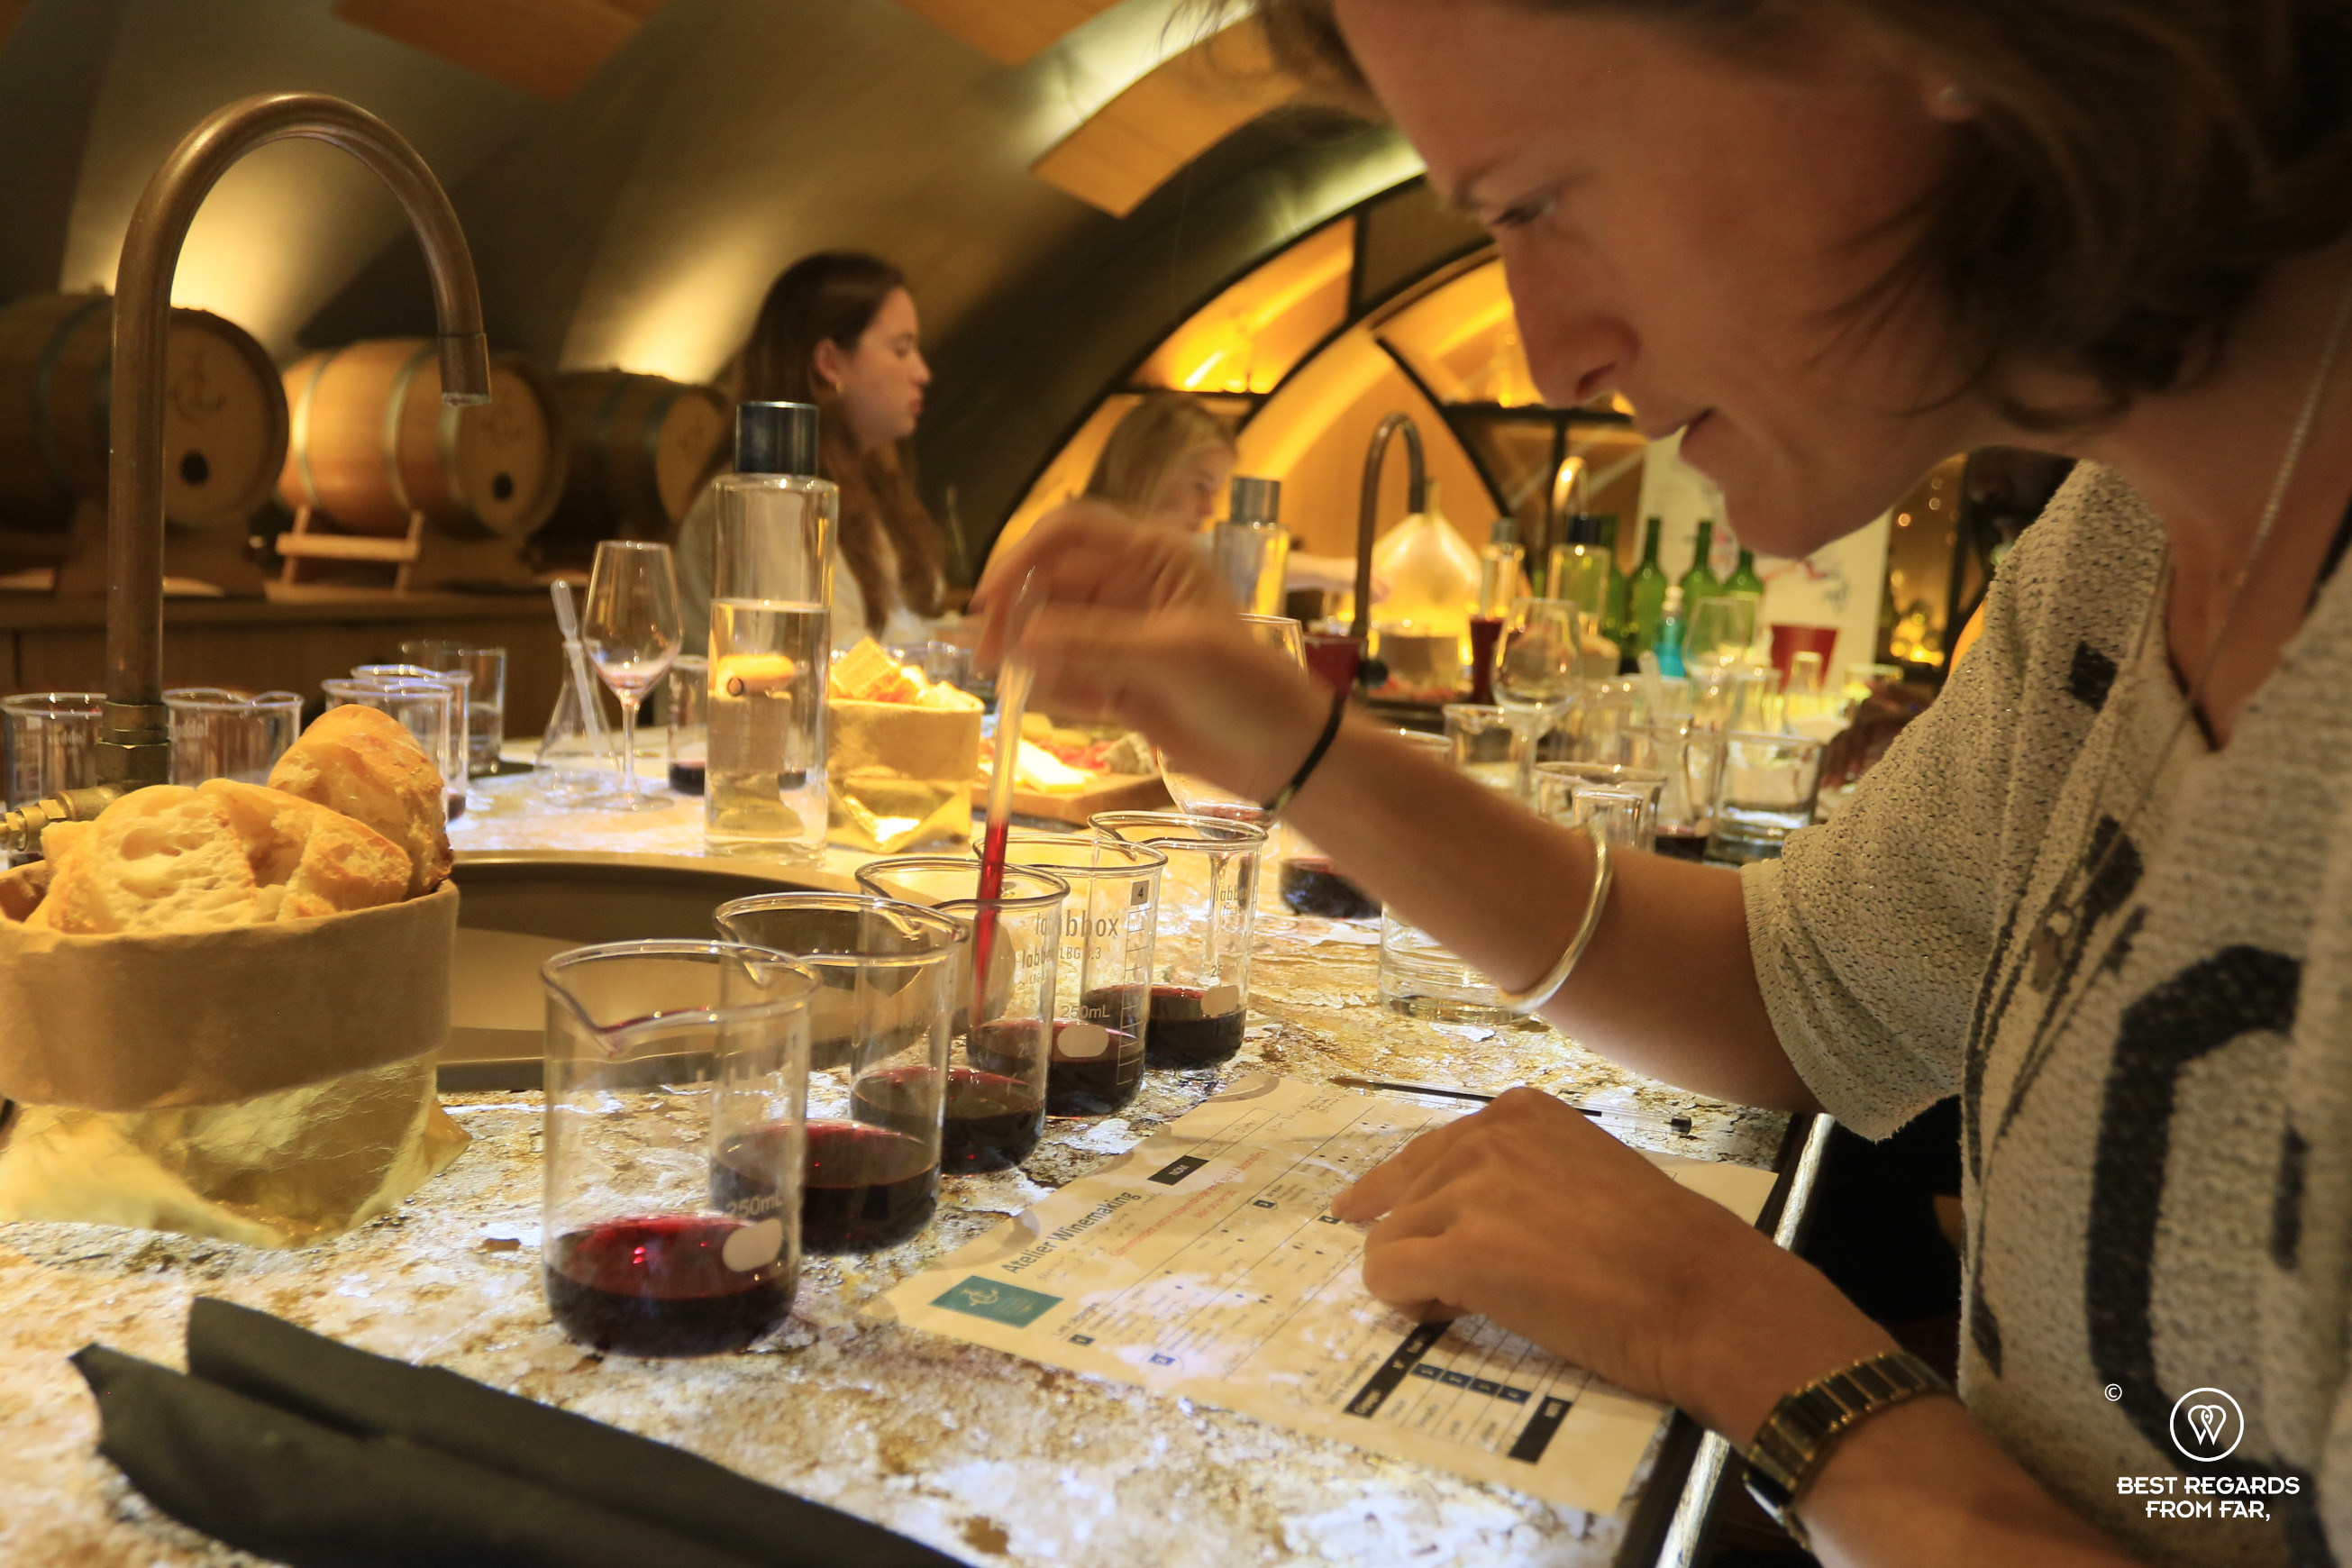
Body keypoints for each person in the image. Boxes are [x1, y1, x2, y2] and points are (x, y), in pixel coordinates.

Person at [976, 1, 2352, 1562]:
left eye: (1537, 203)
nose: (1555, 349)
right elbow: (1797, 987)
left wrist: (1769, 1355)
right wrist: (1287, 743)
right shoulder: (2118, 546)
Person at [677, 251, 946, 654]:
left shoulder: (865, 478)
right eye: (901, 349)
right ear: (829, 362)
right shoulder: (763, 494)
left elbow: (900, 625)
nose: (923, 372)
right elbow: (816, 656)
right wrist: (959, 645)